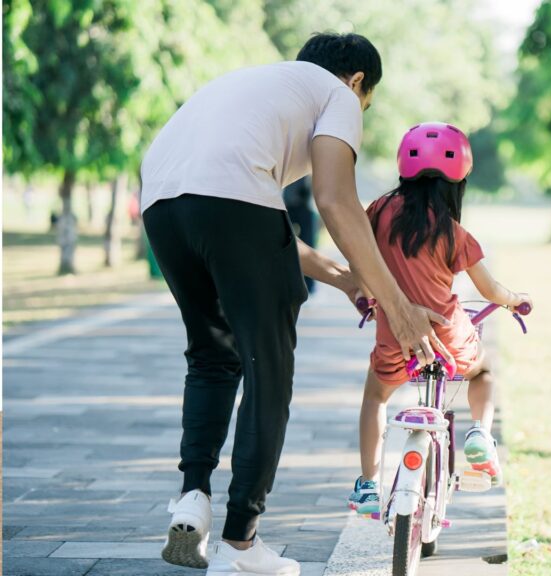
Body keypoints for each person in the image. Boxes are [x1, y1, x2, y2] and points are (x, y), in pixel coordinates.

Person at [141, 34, 452, 576]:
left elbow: (261, 227)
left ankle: (192, 496)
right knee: (269, 370)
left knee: (213, 355)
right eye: (367, 104)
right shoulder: (336, 94)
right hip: (226, 205)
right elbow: (335, 199)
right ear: (357, 81)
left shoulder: (256, 86)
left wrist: (345, 278)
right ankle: (240, 546)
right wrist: (398, 306)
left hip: (162, 206)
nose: (360, 114)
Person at [347, 123, 531, 514]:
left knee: (375, 396)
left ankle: (367, 484)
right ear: (459, 179)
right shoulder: (453, 232)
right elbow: (489, 290)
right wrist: (515, 301)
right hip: (449, 337)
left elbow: (357, 254)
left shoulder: (378, 212)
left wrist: (366, 294)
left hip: (395, 338)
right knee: (482, 372)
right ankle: (480, 433)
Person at [282, 176, 319, 294]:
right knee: (283, 242)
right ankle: (286, 282)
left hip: (304, 204)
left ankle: (309, 285)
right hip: (286, 204)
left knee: (308, 245)